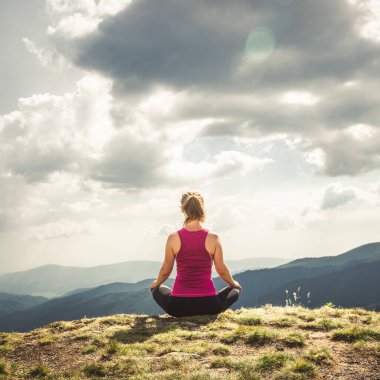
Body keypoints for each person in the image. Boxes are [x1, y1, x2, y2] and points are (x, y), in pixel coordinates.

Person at [150, 191, 243, 317]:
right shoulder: (214, 237)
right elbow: (222, 270)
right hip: (209, 306)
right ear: (202, 209)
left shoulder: (173, 238)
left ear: (183, 210)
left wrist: (156, 283)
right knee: (234, 289)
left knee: (156, 288)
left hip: (178, 307)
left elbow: (166, 271)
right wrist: (234, 283)